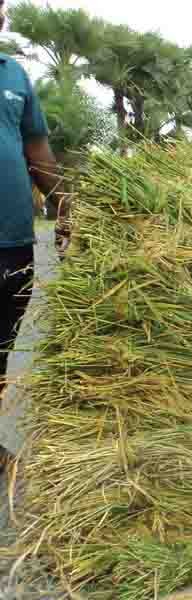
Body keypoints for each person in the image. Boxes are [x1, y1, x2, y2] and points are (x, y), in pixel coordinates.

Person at [0, 24, 68, 411]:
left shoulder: (14, 74)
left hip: (13, 244)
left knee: (3, 347)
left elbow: (37, 150)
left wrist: (66, 210)